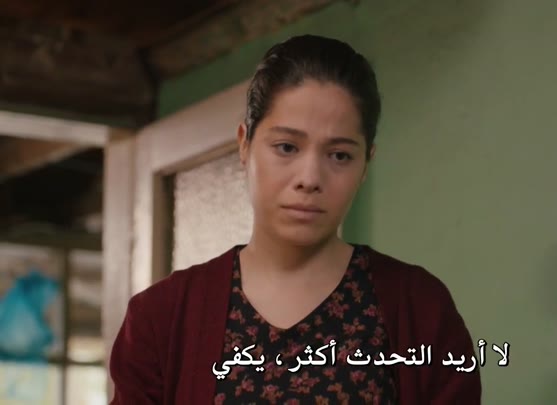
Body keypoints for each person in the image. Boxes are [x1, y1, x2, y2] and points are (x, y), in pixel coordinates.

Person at [109, 34, 481, 404]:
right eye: (286, 147)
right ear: (244, 144)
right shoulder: (160, 317)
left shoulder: (421, 307)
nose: (310, 178)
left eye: (339, 155)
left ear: (366, 162)